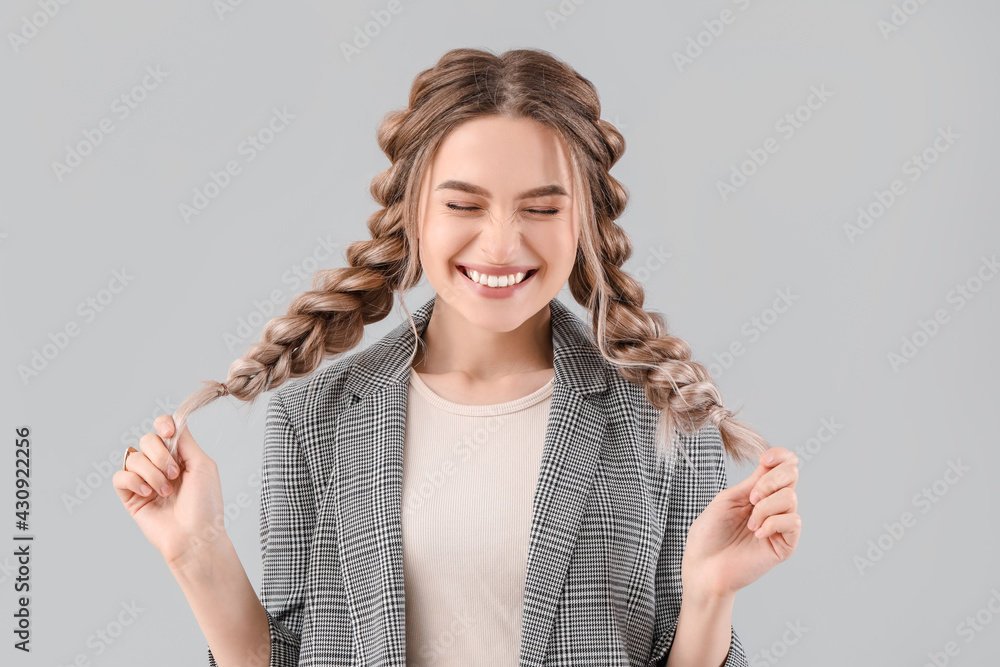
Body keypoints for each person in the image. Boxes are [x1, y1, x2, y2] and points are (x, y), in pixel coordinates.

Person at [113, 47, 801, 666]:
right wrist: (195, 551)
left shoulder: (667, 420)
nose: (501, 243)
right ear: (413, 213)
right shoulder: (313, 418)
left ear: (585, 221)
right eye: (465, 204)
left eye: (541, 208)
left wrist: (710, 595)